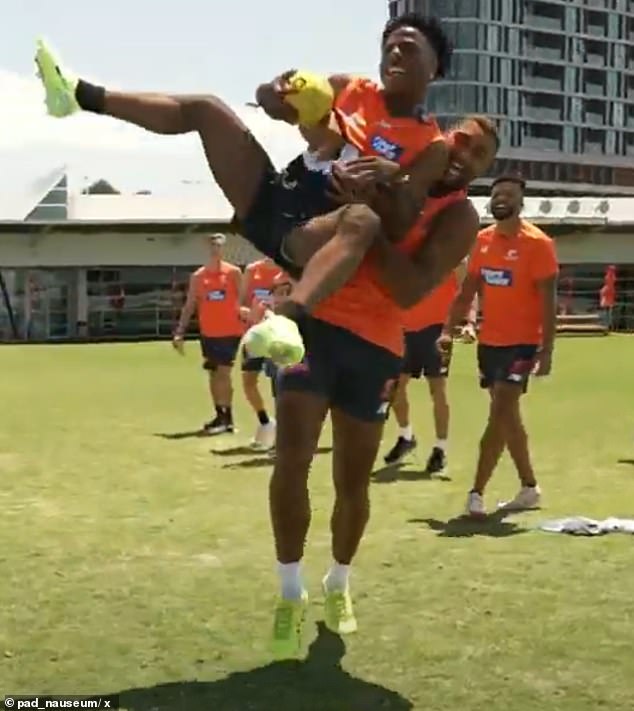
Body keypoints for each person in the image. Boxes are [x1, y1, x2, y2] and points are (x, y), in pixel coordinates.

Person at [34, 13, 452, 365]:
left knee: (363, 219)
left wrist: (385, 175)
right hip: (276, 196)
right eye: (389, 47)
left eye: (410, 47)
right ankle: (77, 95)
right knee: (208, 109)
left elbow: (401, 218)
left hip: (317, 231)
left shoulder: (430, 144)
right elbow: (273, 101)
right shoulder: (352, 89)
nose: (395, 53)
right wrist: (275, 94)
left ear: (435, 67)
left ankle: (285, 319)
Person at [269, 115, 499, 659]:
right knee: (291, 460)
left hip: (374, 346)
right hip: (315, 326)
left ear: (485, 169)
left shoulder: (461, 215)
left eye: (481, 153)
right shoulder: (384, 155)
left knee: (353, 481)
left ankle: (339, 583)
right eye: (461, 139)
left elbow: (410, 288)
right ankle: (288, 592)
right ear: (443, 140)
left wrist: (372, 216)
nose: (465, 152)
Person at [439, 175, 558, 518]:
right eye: (496, 194)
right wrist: (448, 329)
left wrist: (546, 350)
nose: (501, 199)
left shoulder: (538, 244)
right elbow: (467, 290)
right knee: (508, 417)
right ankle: (529, 487)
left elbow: (548, 302)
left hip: (523, 345)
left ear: (521, 203)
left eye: (509, 194)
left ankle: (476, 492)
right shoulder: (482, 241)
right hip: (490, 344)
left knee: (501, 411)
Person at [383, 263, 478, 471]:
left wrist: (469, 322)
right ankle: (406, 436)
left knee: (437, 389)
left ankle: (440, 448)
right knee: (395, 388)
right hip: (402, 328)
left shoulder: (454, 256)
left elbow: (469, 292)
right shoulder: (404, 251)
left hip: (438, 330)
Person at [173, 234, 243, 434]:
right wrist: (180, 332)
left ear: (224, 249)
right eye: (212, 246)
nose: (215, 250)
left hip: (230, 331)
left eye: (219, 246)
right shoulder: (198, 276)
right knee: (213, 374)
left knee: (223, 373)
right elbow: (189, 306)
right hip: (208, 333)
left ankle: (228, 419)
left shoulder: (233, 273)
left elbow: (244, 299)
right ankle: (219, 415)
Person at [239, 258, 286, 449]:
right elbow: (241, 304)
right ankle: (266, 422)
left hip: (277, 336)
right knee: (249, 383)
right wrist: (249, 313)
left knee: (280, 386)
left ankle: (282, 437)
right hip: (255, 336)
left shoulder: (287, 271)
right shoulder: (252, 270)